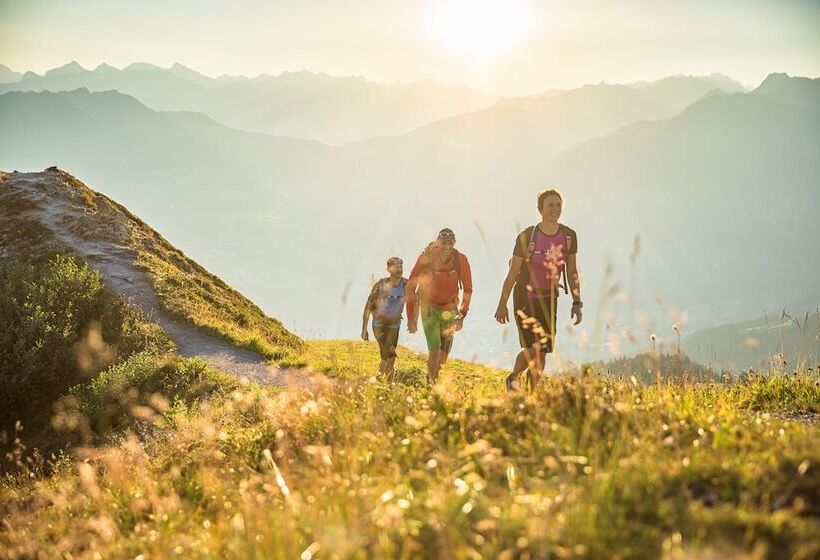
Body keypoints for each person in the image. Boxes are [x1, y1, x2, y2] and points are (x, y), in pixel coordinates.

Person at [495, 189, 582, 391]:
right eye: (550, 205)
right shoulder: (527, 236)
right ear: (540, 209)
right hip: (525, 297)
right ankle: (514, 378)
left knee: (542, 352)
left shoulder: (569, 236)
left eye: (558, 205)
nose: (555, 209)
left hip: (549, 298)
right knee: (533, 348)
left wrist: (577, 302)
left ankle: (532, 397)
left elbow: (572, 272)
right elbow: (512, 273)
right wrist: (502, 304)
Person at [406, 228, 473, 386]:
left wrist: (462, 313)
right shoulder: (426, 257)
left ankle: (433, 375)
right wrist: (411, 318)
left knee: (442, 357)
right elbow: (410, 286)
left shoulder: (460, 260)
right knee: (434, 351)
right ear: (437, 243)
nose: (446, 247)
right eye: (443, 243)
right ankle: (431, 387)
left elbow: (468, 289)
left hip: (450, 309)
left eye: (450, 243)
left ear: (454, 244)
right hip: (429, 308)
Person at [362, 256, 407, 382]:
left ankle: (377, 376)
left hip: (394, 326)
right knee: (391, 356)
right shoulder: (381, 285)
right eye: (396, 267)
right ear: (389, 269)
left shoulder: (405, 284)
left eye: (401, 266)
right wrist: (364, 329)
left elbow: (415, 300)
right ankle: (389, 389)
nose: (399, 269)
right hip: (379, 325)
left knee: (385, 357)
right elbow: (368, 307)